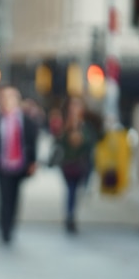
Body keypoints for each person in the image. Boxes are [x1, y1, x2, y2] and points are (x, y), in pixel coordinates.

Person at [0, 86, 38, 244]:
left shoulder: (26, 121)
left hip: (20, 165)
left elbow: (31, 141)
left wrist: (32, 162)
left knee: (15, 197)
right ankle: (4, 227)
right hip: (3, 165)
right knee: (4, 196)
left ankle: (11, 225)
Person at [54, 96, 99, 234]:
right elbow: (59, 143)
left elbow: (92, 142)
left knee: (76, 190)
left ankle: (71, 213)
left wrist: (81, 138)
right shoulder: (64, 124)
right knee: (71, 190)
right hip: (68, 163)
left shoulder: (87, 125)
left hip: (81, 164)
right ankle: (70, 215)